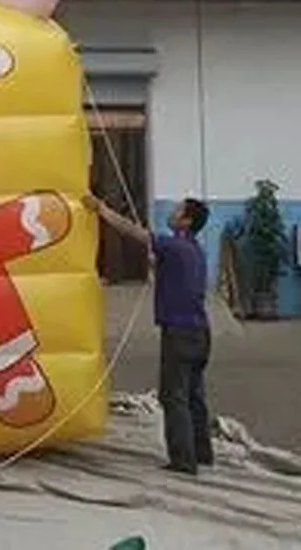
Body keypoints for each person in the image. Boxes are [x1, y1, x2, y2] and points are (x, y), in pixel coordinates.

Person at [83, 193, 213, 476]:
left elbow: (137, 235)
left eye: (177, 210)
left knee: (173, 396)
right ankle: (203, 452)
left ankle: (183, 460)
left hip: (179, 332)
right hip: (200, 332)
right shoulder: (195, 251)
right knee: (194, 395)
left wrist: (102, 210)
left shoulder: (174, 245)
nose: (171, 212)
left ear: (186, 221)